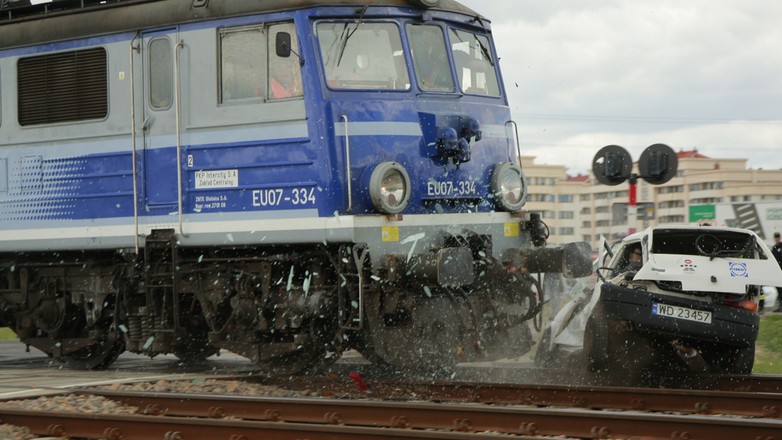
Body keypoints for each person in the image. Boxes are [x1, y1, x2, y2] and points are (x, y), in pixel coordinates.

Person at [772, 232, 782, 312]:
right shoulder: (774, 248)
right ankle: (780, 306)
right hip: (778, 272)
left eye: (778, 237)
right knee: (779, 289)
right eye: (776, 237)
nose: (777, 238)